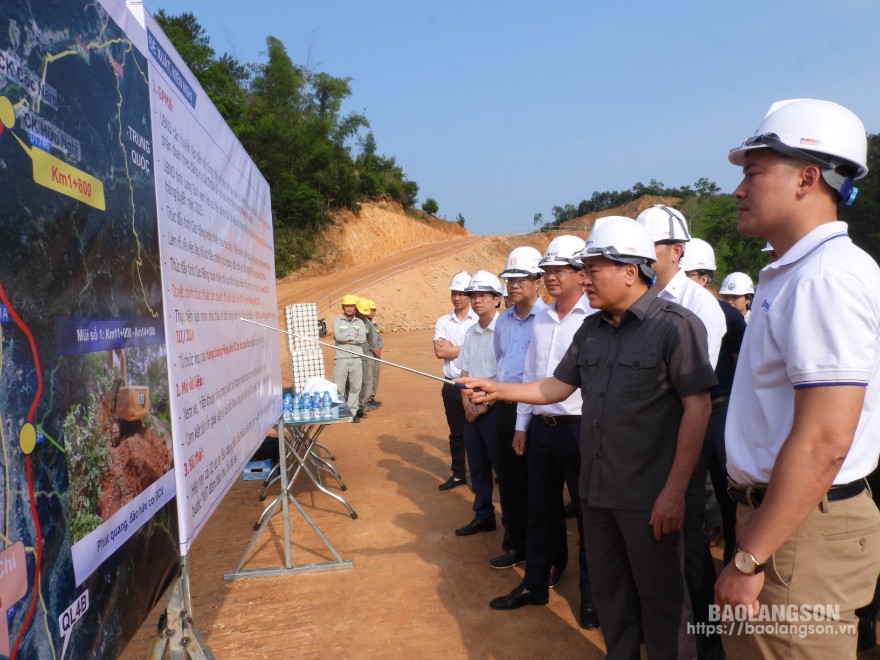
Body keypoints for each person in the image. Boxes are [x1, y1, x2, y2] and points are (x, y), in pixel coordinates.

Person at [461, 218, 716, 658]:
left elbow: (698, 407)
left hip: (649, 498)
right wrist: (498, 388)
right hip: (596, 495)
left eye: (593, 268)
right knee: (613, 599)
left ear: (629, 271)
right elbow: (555, 387)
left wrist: (674, 491)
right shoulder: (592, 329)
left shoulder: (676, 326)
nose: (584, 277)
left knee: (664, 606)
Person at [715, 98, 880, 658]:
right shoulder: (796, 273)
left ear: (808, 177)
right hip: (783, 522)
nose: (739, 189)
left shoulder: (824, 279)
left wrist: (748, 557)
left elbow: (823, 441)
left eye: (753, 172)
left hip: (797, 533)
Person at [488, 235, 599, 630]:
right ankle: (534, 583)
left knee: (588, 517)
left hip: (579, 429)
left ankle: (591, 597)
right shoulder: (542, 320)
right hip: (542, 429)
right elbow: (532, 377)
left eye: (558, 270)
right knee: (540, 510)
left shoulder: (592, 318)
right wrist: (522, 425)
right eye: (547, 270)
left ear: (580, 273)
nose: (550, 277)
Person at [637, 204, 727, 659]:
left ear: (676, 251)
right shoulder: (645, 299)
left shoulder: (699, 305)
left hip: (683, 436)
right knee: (660, 543)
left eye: (648, 248)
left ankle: (708, 644)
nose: (639, 257)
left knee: (691, 547)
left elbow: (694, 386)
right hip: (650, 438)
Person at [681, 238, 748, 566]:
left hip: (721, 409)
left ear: (705, 278)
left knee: (726, 484)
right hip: (683, 411)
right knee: (690, 484)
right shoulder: (665, 315)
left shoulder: (730, 318)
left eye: (689, 274)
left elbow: (739, 363)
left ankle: (734, 549)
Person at [490, 246, 546, 569]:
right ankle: (515, 544)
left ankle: (539, 550)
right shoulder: (504, 321)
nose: (513, 284)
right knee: (509, 481)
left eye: (521, 277)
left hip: (534, 410)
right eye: (509, 278)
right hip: (504, 408)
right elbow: (502, 361)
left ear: (537, 280)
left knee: (535, 484)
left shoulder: (546, 320)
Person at [454, 270, 503, 536]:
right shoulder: (471, 333)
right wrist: (467, 404)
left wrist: (485, 405)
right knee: (478, 465)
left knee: (503, 471)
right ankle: (483, 515)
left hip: (495, 410)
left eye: (483, 295)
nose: (476, 300)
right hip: (472, 410)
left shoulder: (504, 329)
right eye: (473, 295)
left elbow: (505, 375)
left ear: (497, 299)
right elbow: (463, 374)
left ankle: (511, 524)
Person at [434, 272, 478, 490]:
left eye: (461, 293)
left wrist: (453, 348)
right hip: (451, 384)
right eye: (454, 293)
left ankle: (483, 476)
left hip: (477, 385)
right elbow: (440, 353)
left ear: (469, 295)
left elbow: (481, 350)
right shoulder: (443, 321)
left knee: (480, 432)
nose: (457, 297)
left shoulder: (480, 319)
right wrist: (468, 347)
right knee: (456, 433)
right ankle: (459, 474)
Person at [332, 294, 368, 421]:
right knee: (339, 387)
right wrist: (354, 336)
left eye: (352, 306)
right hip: (341, 358)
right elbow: (338, 337)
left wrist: (346, 337)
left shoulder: (360, 322)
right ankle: (339, 413)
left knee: (356, 387)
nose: (349, 308)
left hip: (356, 358)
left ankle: (352, 412)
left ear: (355, 308)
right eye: (347, 306)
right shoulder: (337, 321)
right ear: (343, 307)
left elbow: (362, 339)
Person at [355, 296, 379, 413]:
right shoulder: (353, 322)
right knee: (354, 382)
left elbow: (371, 341)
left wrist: (374, 348)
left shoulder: (368, 324)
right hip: (353, 356)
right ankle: (356, 405)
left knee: (367, 380)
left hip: (366, 356)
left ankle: (364, 403)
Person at [367, 300, 382, 408]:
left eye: (374, 310)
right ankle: (367, 399)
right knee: (369, 377)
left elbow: (380, 339)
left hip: (377, 354)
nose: (372, 312)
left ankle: (372, 397)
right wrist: (373, 349)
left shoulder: (375, 324)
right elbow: (365, 341)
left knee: (376, 376)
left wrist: (379, 348)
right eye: (370, 310)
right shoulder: (364, 324)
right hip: (368, 354)